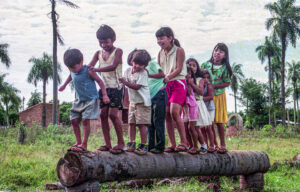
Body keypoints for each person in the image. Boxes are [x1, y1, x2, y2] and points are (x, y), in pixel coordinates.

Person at [59, 48, 110, 152]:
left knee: (85, 120)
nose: (72, 69)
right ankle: (78, 142)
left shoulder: (88, 71)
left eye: (74, 67)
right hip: (78, 100)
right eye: (69, 67)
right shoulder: (72, 70)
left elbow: (100, 82)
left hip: (90, 100)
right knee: (73, 120)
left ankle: (84, 144)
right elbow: (70, 76)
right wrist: (64, 85)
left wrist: (104, 95)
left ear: (81, 61)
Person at [88, 24, 125, 154]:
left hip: (116, 88)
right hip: (104, 89)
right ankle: (107, 144)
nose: (103, 45)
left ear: (113, 39)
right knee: (103, 115)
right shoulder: (98, 53)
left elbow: (113, 66)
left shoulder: (118, 51)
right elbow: (89, 67)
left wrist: (96, 70)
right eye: (101, 42)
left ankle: (121, 143)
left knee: (113, 115)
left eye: (106, 42)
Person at [156, 26, 188, 152]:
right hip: (165, 84)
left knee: (174, 111)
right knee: (166, 113)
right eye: (157, 39)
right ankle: (172, 144)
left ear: (170, 38)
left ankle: (184, 142)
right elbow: (159, 70)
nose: (159, 41)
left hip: (178, 82)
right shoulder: (160, 53)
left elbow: (179, 68)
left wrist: (168, 76)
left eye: (161, 38)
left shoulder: (179, 50)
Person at [119, 49, 151, 155]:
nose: (137, 66)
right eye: (135, 63)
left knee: (141, 124)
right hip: (133, 102)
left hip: (142, 102)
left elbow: (137, 87)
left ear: (145, 66)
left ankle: (143, 145)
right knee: (131, 123)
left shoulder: (143, 73)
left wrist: (125, 82)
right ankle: (131, 142)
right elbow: (122, 81)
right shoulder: (128, 71)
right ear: (132, 60)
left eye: (140, 65)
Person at [201, 43, 232, 154]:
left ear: (225, 55)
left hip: (218, 96)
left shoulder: (225, 68)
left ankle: (222, 145)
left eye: (221, 52)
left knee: (219, 121)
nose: (217, 53)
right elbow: (200, 77)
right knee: (207, 122)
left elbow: (227, 83)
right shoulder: (205, 64)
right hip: (206, 96)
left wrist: (214, 86)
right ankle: (210, 145)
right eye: (216, 50)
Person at [187, 59, 209, 154]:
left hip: (197, 104)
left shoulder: (200, 79)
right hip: (188, 105)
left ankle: (203, 145)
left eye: (194, 65)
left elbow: (201, 92)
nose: (192, 67)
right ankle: (191, 145)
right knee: (189, 127)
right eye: (189, 65)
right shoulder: (185, 79)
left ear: (197, 67)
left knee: (195, 127)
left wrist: (192, 84)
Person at [147, 60, 168, 154]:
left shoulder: (151, 63)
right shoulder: (141, 70)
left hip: (159, 94)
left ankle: (160, 146)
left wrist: (149, 75)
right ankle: (150, 145)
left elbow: (162, 74)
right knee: (150, 122)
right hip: (150, 97)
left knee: (158, 121)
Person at [183, 66, 199, 154]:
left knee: (191, 127)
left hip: (191, 105)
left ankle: (195, 146)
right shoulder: (183, 82)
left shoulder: (190, 82)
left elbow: (189, 92)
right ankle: (190, 145)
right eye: (185, 72)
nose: (187, 74)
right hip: (184, 107)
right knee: (185, 128)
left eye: (189, 73)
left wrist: (189, 83)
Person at [202, 69, 216, 153]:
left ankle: (211, 145)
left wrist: (200, 99)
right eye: (204, 77)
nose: (206, 79)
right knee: (203, 128)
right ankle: (205, 145)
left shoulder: (209, 86)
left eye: (208, 78)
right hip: (203, 108)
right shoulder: (200, 85)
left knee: (209, 127)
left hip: (210, 108)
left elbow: (211, 97)